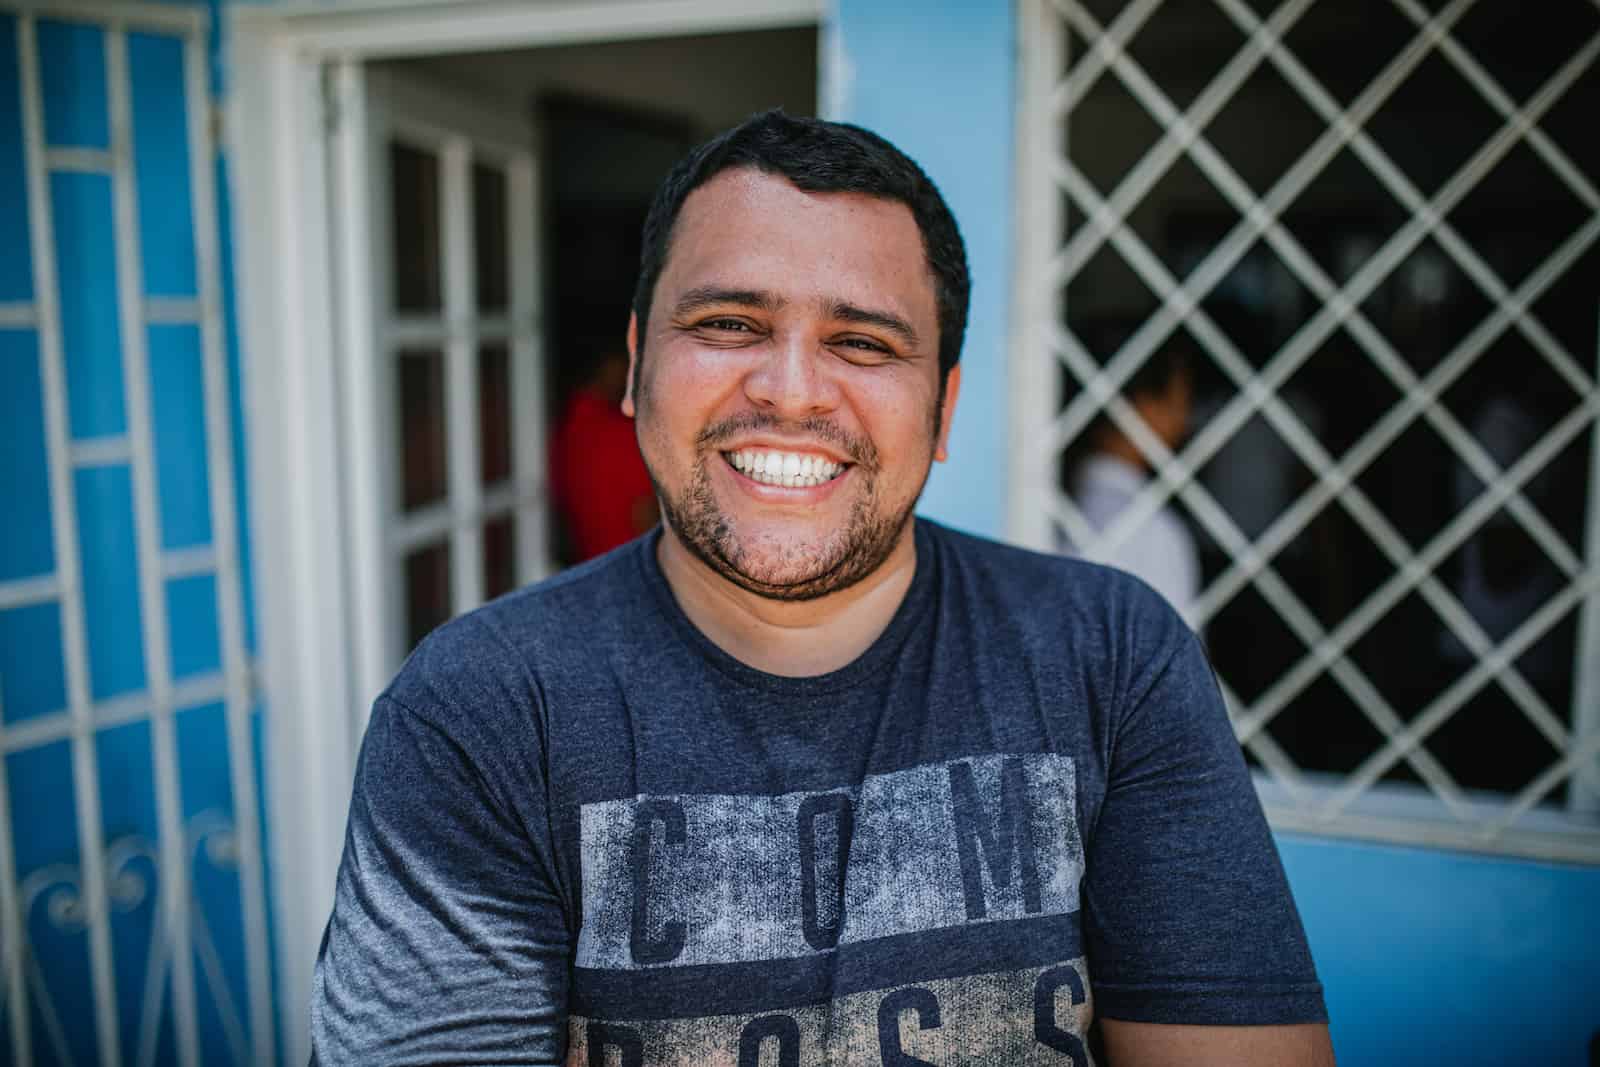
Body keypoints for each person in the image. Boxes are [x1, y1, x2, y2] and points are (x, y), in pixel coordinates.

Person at [311, 111, 1333, 1065]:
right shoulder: (481, 708)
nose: (791, 389)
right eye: (726, 322)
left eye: (863, 342)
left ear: (941, 410)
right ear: (634, 367)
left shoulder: (1108, 655)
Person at [1065, 330, 1201, 626]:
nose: (1185, 418)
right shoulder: (1154, 531)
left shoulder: (1053, 508)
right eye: (1178, 400)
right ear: (1142, 406)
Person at [550, 345, 660, 562]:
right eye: (625, 368)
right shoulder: (622, 432)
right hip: (630, 562)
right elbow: (644, 510)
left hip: (585, 562)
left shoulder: (561, 430)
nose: (630, 377)